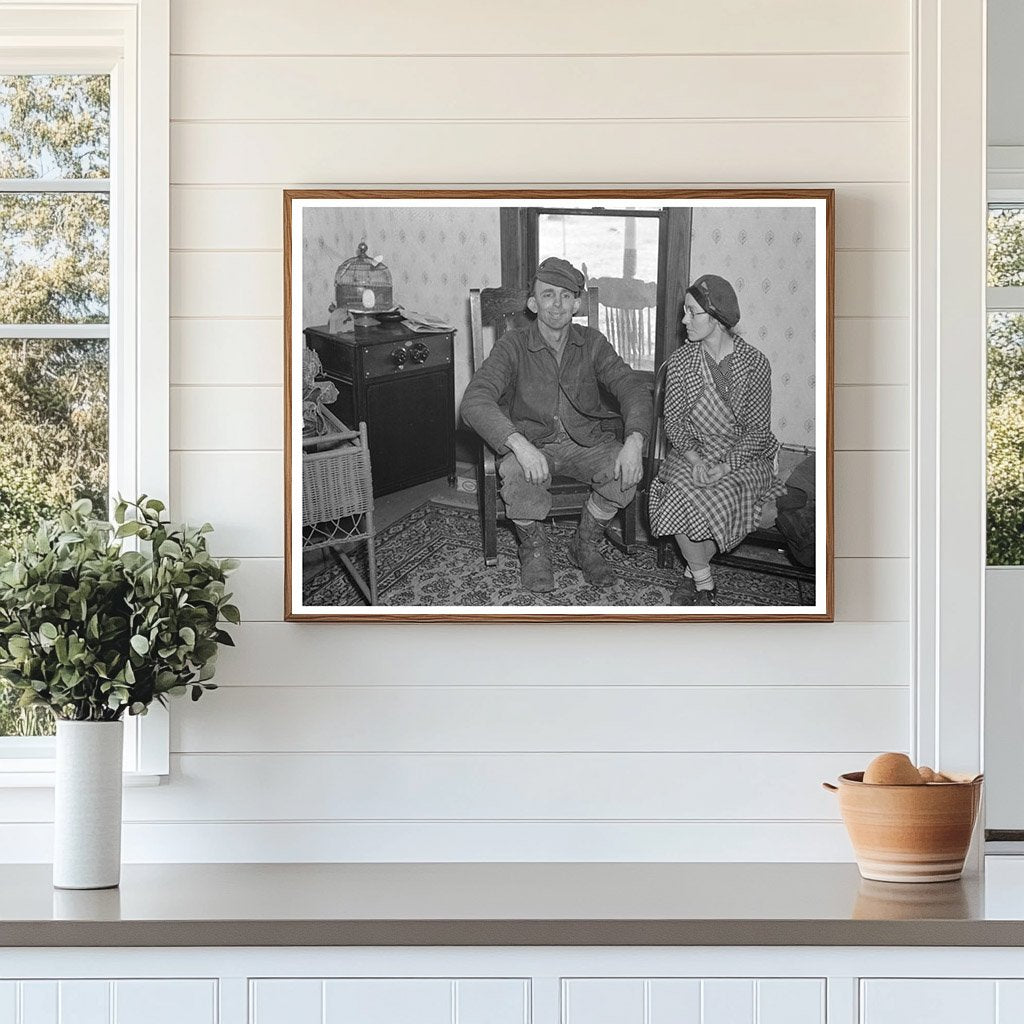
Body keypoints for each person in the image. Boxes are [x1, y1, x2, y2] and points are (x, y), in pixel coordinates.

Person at [460, 257, 653, 594]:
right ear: (533, 304)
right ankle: (533, 549)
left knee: (624, 472)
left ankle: (584, 544)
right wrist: (518, 444)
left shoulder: (593, 342)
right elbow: (475, 400)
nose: (557, 304)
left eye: (566, 295)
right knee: (517, 475)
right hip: (533, 442)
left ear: (577, 303)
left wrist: (635, 441)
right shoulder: (512, 346)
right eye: (548, 295)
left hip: (587, 442)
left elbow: (631, 386)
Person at [648, 274, 784, 606]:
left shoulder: (755, 364)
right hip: (693, 450)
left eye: (693, 313)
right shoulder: (681, 362)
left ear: (718, 318)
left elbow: (757, 432)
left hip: (744, 453)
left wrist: (724, 467)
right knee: (677, 491)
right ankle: (705, 584)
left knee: (720, 495)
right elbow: (676, 425)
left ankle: (691, 574)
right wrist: (694, 460)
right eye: (685, 311)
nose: (684, 320)